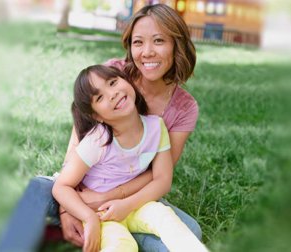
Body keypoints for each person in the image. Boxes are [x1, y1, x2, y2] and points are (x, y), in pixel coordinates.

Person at [0, 4, 201, 252]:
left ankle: (111, 232)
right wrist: (67, 208)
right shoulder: (114, 75)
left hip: (133, 198)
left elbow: (157, 175)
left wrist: (112, 198)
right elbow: (79, 140)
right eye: (137, 42)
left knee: (191, 230)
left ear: (177, 44)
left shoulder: (184, 108)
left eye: (158, 41)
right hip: (82, 188)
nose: (146, 52)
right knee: (38, 190)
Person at [52, 64, 207, 252]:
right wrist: (89, 217)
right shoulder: (98, 139)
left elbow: (163, 180)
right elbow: (61, 186)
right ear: (96, 115)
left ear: (127, 82)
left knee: (163, 216)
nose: (112, 94)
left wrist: (126, 205)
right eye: (99, 97)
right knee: (122, 245)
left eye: (113, 82)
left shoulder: (156, 127)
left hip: (137, 203)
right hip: (100, 213)